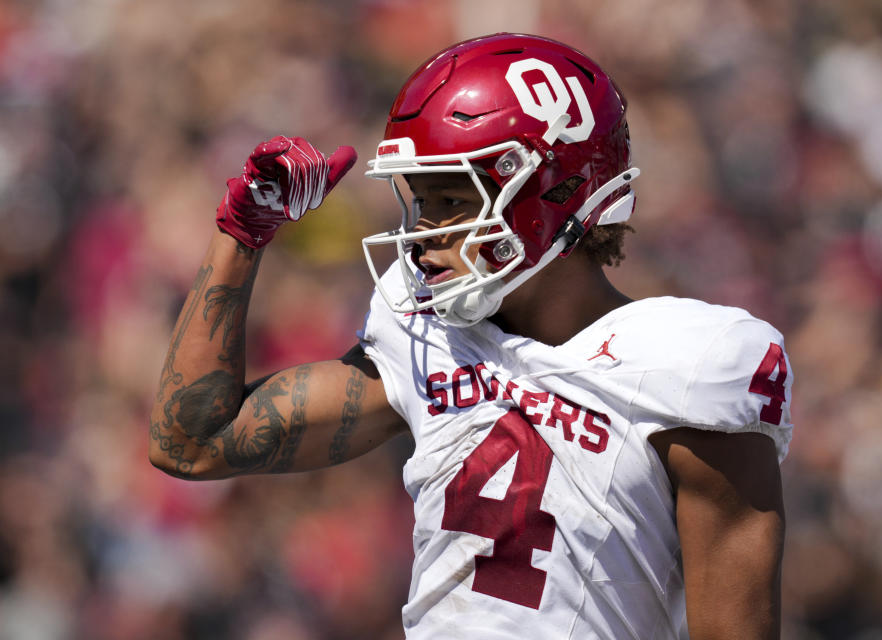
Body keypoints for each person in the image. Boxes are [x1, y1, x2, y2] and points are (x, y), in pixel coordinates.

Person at [149, 33, 793, 640]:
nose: (425, 234)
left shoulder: (693, 365)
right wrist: (241, 232)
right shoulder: (424, 338)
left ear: (555, 192)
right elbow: (192, 444)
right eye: (420, 201)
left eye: (453, 199)